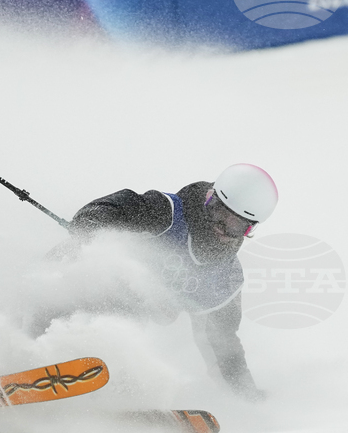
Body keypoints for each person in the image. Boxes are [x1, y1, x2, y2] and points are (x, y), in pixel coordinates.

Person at [60, 163, 278, 401]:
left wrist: (246, 394)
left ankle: (102, 378)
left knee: (131, 320)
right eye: (218, 213)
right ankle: (50, 345)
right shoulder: (166, 213)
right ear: (209, 198)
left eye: (235, 225)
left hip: (117, 320)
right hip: (69, 282)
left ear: (248, 230)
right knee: (123, 284)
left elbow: (223, 343)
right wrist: (91, 226)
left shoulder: (224, 279)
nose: (222, 227)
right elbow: (110, 208)